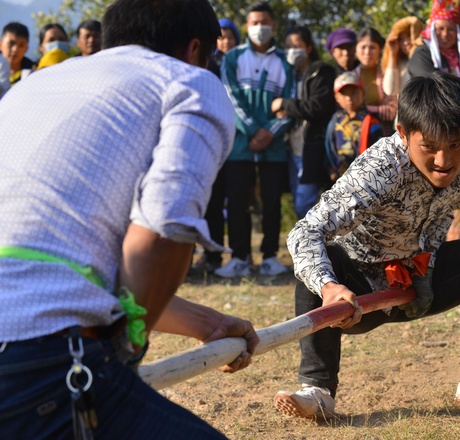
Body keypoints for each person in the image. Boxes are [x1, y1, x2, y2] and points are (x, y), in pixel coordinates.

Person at [0, 0, 259, 438]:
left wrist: (207, 324)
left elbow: (64, 277)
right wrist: (124, 347)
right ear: (196, 49)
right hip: (35, 363)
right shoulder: (190, 82)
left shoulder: (33, 86)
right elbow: (165, 228)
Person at [273, 71, 460, 419]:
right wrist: (329, 287)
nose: (444, 162)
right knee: (322, 260)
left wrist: (423, 267)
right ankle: (318, 389)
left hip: (415, 282)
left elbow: (441, 215)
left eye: (455, 144)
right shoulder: (380, 170)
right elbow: (304, 233)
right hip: (354, 296)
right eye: (429, 147)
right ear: (403, 132)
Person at [218, 1, 294, 278]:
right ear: (246, 26)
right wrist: (253, 131)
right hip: (240, 144)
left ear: (273, 24)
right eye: (254, 23)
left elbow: (291, 103)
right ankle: (239, 257)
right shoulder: (232, 58)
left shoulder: (286, 60)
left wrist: (269, 132)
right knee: (237, 201)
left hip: (274, 147)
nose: (259, 27)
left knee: (272, 202)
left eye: (264, 22)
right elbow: (230, 97)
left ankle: (271, 256)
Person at [408, 0, 460, 241]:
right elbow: (434, 85)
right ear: (431, 28)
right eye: (440, 29)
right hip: (429, 136)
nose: (445, 34)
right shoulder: (422, 53)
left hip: (458, 136)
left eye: (450, 29)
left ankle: (457, 251)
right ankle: (426, 255)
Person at [191, 18, 241, 275]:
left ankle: (233, 256)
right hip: (208, 142)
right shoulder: (205, 65)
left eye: (230, 36)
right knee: (209, 202)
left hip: (236, 144)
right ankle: (209, 256)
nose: (225, 41)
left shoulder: (240, 64)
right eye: (220, 37)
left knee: (233, 203)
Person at [270, 25, 335, 219]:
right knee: (299, 201)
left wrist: (284, 104)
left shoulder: (320, 72)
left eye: (297, 45)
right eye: (288, 46)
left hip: (312, 147)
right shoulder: (289, 75)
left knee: (303, 204)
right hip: (292, 147)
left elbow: (316, 106)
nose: (292, 50)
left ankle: (314, 245)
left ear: (308, 48)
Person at [325, 71, 383, 181]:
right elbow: (329, 144)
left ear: (363, 93)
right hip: (340, 177)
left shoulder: (371, 121)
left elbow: (377, 151)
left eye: (353, 93)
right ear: (336, 97)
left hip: (363, 178)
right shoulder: (336, 119)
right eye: (344, 94)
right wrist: (331, 169)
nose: (349, 98)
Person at [355, 27, 396, 136]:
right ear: (356, 49)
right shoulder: (349, 77)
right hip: (357, 134)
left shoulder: (386, 74)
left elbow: (392, 109)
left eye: (372, 47)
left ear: (380, 49)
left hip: (382, 134)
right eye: (363, 47)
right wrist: (379, 109)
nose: (367, 52)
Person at [381, 16, 424, 97]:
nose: (406, 42)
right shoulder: (401, 63)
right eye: (401, 39)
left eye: (409, 35)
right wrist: (392, 54)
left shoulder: (429, 57)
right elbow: (390, 90)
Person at [0, 22, 34, 86]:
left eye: (21, 45)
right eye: (11, 43)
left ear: (26, 48)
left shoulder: (33, 74)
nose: (15, 49)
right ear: (0, 45)